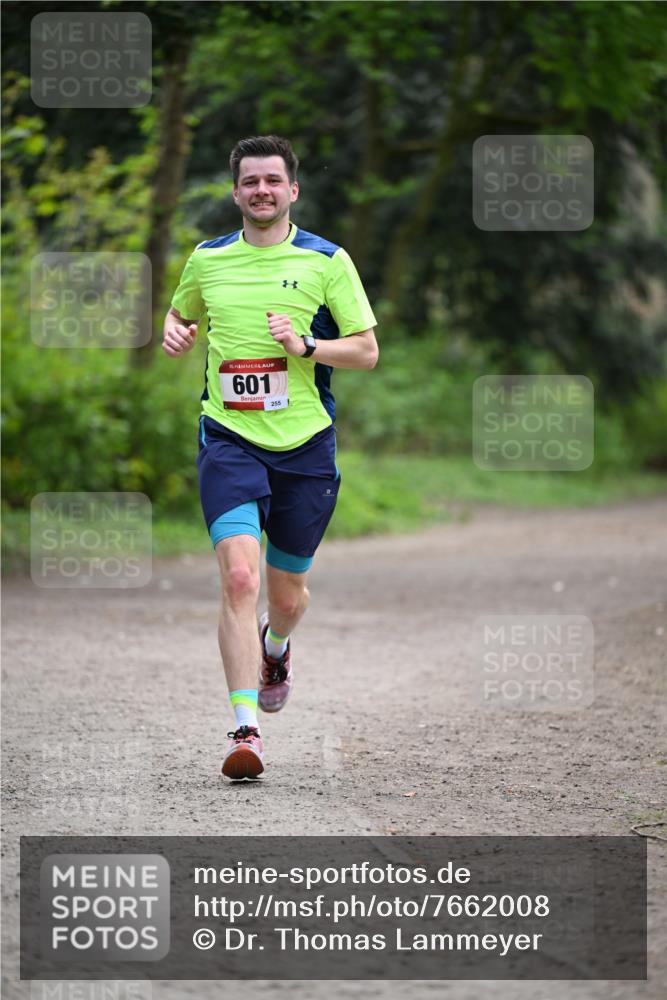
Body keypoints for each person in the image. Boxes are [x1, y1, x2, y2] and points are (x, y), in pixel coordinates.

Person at [162, 135, 378, 780]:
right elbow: (180, 314)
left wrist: (308, 345)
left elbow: (365, 351)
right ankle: (245, 730)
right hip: (229, 436)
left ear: (292, 191)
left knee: (285, 597)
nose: (261, 190)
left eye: (272, 181)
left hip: (306, 447)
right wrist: (175, 329)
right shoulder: (208, 260)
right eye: (249, 181)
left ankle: (276, 647)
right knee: (238, 580)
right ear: (236, 193)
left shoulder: (327, 261)